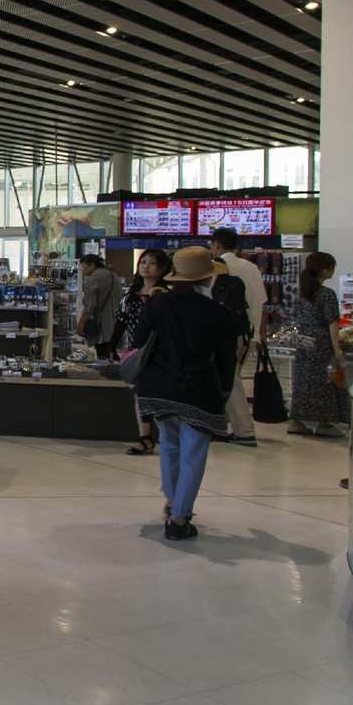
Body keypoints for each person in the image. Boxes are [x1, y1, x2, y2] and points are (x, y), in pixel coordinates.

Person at [130, 244, 239, 539]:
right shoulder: (217, 313)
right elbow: (226, 359)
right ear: (207, 278)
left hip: (157, 387)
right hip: (197, 388)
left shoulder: (155, 304)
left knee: (168, 443)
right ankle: (179, 519)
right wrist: (224, 390)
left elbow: (139, 343)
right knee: (194, 451)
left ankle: (172, 500)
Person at [209, 227, 266, 447]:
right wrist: (260, 335)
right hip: (247, 332)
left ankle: (244, 431)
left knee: (229, 379)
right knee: (229, 378)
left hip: (225, 333)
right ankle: (220, 425)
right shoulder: (252, 267)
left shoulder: (217, 266)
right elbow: (261, 302)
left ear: (216, 245)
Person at [117, 248, 170, 456]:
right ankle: (145, 437)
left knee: (161, 393)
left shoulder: (166, 294)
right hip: (137, 351)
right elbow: (121, 319)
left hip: (161, 351)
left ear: (163, 268)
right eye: (143, 262)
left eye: (152, 263)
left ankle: (166, 435)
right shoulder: (131, 293)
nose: (146, 266)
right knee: (139, 393)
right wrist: (113, 344)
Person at [288, 251, 346, 435]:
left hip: (303, 342)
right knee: (324, 382)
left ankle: (296, 420)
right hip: (321, 344)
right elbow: (332, 322)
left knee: (302, 381)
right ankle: (324, 423)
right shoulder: (327, 294)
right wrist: (337, 349)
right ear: (324, 270)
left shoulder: (301, 293)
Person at [78, 253, 122, 358]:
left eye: (83, 267)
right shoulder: (114, 276)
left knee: (102, 355)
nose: (82, 271)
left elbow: (90, 305)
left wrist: (81, 323)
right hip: (116, 324)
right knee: (112, 354)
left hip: (101, 325)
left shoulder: (93, 278)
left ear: (92, 265)